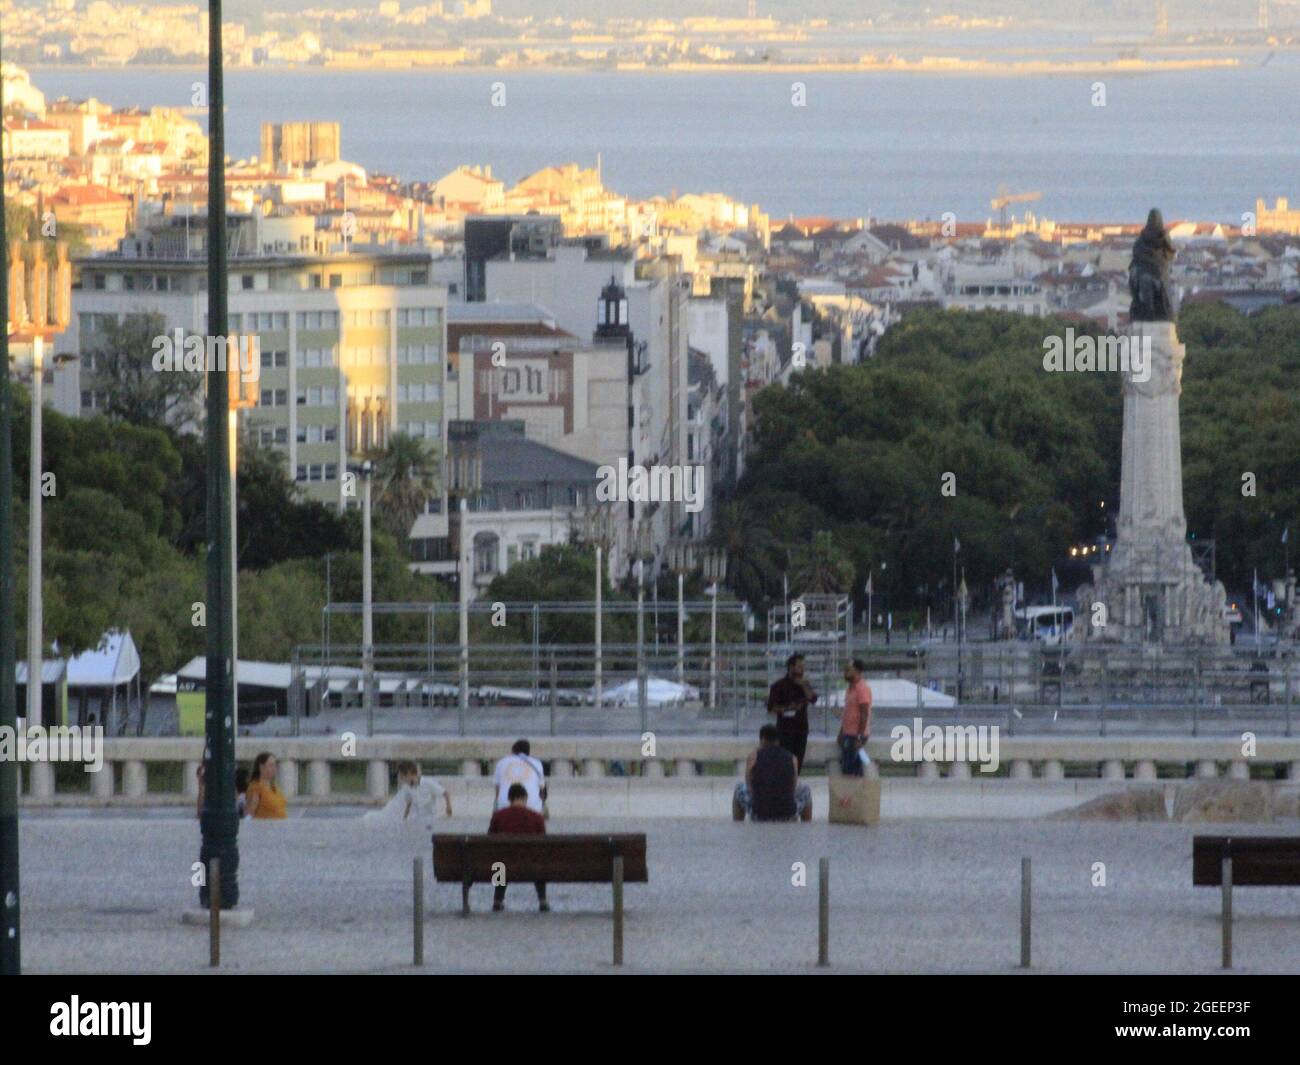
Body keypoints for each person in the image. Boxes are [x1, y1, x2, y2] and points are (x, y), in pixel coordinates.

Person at [732, 724, 813, 823]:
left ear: (762, 739)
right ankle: (807, 823)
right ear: (778, 740)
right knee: (806, 790)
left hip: (759, 815)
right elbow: (793, 785)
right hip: (787, 815)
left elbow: (749, 786)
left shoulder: (753, 757)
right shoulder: (792, 758)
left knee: (738, 789)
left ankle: (738, 823)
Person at [487, 783, 549, 912]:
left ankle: (498, 900)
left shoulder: (498, 816)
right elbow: (543, 843)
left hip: (503, 865)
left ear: (509, 799)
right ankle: (542, 900)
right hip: (532, 864)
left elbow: (489, 840)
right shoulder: (536, 817)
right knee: (539, 859)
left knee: (499, 861)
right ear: (525, 798)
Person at [766, 653, 817, 771]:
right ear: (791, 667)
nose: (802, 669)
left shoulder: (805, 684)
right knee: (785, 763)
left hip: (801, 729)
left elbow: (813, 699)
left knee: (798, 762)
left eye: (803, 666)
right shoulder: (778, 686)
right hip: (785, 730)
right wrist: (788, 708)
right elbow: (771, 707)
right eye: (799, 666)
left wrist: (804, 686)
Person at [364, 761, 452, 826]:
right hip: (419, 818)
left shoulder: (427, 783)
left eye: (402, 777)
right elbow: (408, 804)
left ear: (409, 774)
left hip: (431, 817)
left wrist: (448, 807)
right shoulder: (407, 788)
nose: (402, 779)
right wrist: (404, 819)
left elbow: (445, 793)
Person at [838, 659, 873, 777]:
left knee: (851, 770)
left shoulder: (862, 688)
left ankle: (854, 794)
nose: (845, 673)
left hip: (856, 735)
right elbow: (848, 713)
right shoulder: (850, 689)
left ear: (857, 671)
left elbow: (864, 713)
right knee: (849, 768)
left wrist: (859, 736)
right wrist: (842, 731)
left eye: (848, 670)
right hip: (848, 734)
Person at [492, 739, 546, 814]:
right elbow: (542, 789)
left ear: (513, 750)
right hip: (533, 808)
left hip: (504, 806)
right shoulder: (537, 763)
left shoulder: (501, 762)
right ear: (528, 752)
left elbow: (497, 789)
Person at [244, 752, 288, 819]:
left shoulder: (274, 788)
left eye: (275, 765)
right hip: (265, 827)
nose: (274, 768)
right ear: (261, 767)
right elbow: (249, 815)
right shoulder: (255, 788)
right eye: (271, 765)